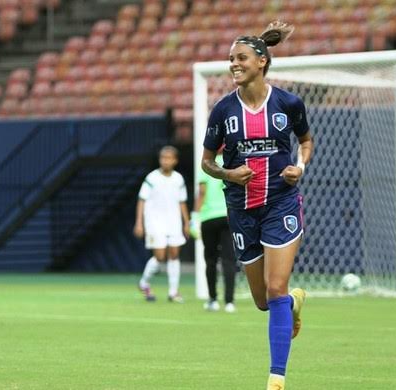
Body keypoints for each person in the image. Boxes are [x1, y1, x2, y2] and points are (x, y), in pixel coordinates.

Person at [200, 21, 314, 390]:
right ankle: (293, 306)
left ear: (261, 61)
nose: (233, 64)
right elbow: (206, 162)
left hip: (281, 203)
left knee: (276, 288)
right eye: (231, 59)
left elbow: (306, 141)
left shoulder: (288, 103)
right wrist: (228, 175)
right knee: (265, 301)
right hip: (241, 210)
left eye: (241, 58)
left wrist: (300, 165)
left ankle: (276, 378)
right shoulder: (222, 111)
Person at [134, 145, 190, 303]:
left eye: (168, 158)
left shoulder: (178, 179)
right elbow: (142, 200)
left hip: (173, 221)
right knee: (159, 256)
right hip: (154, 221)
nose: (165, 161)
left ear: (175, 161)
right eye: (163, 158)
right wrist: (139, 222)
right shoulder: (152, 178)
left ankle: (173, 292)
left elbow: (182, 202)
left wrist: (186, 222)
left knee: (174, 254)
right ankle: (144, 282)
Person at [192, 152, 236, 313]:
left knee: (210, 260)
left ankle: (212, 299)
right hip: (228, 215)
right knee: (229, 260)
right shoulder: (233, 161)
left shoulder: (206, 163)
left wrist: (194, 218)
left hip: (208, 217)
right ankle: (230, 302)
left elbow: (202, 193)